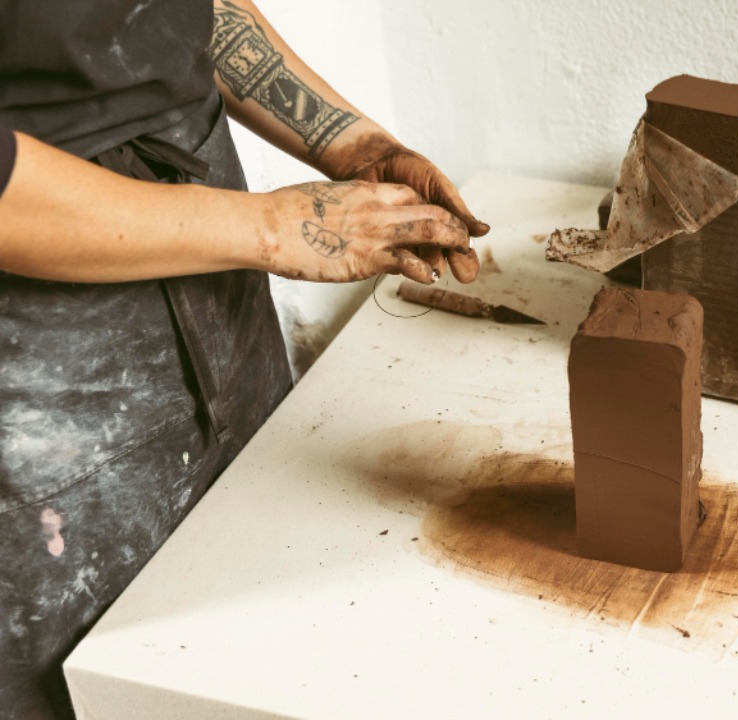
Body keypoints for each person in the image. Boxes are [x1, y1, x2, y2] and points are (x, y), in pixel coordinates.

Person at [0, 2, 487, 717]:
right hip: (46, 307)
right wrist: (267, 226)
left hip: (209, 229)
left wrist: (354, 146)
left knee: (266, 619)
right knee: (108, 680)